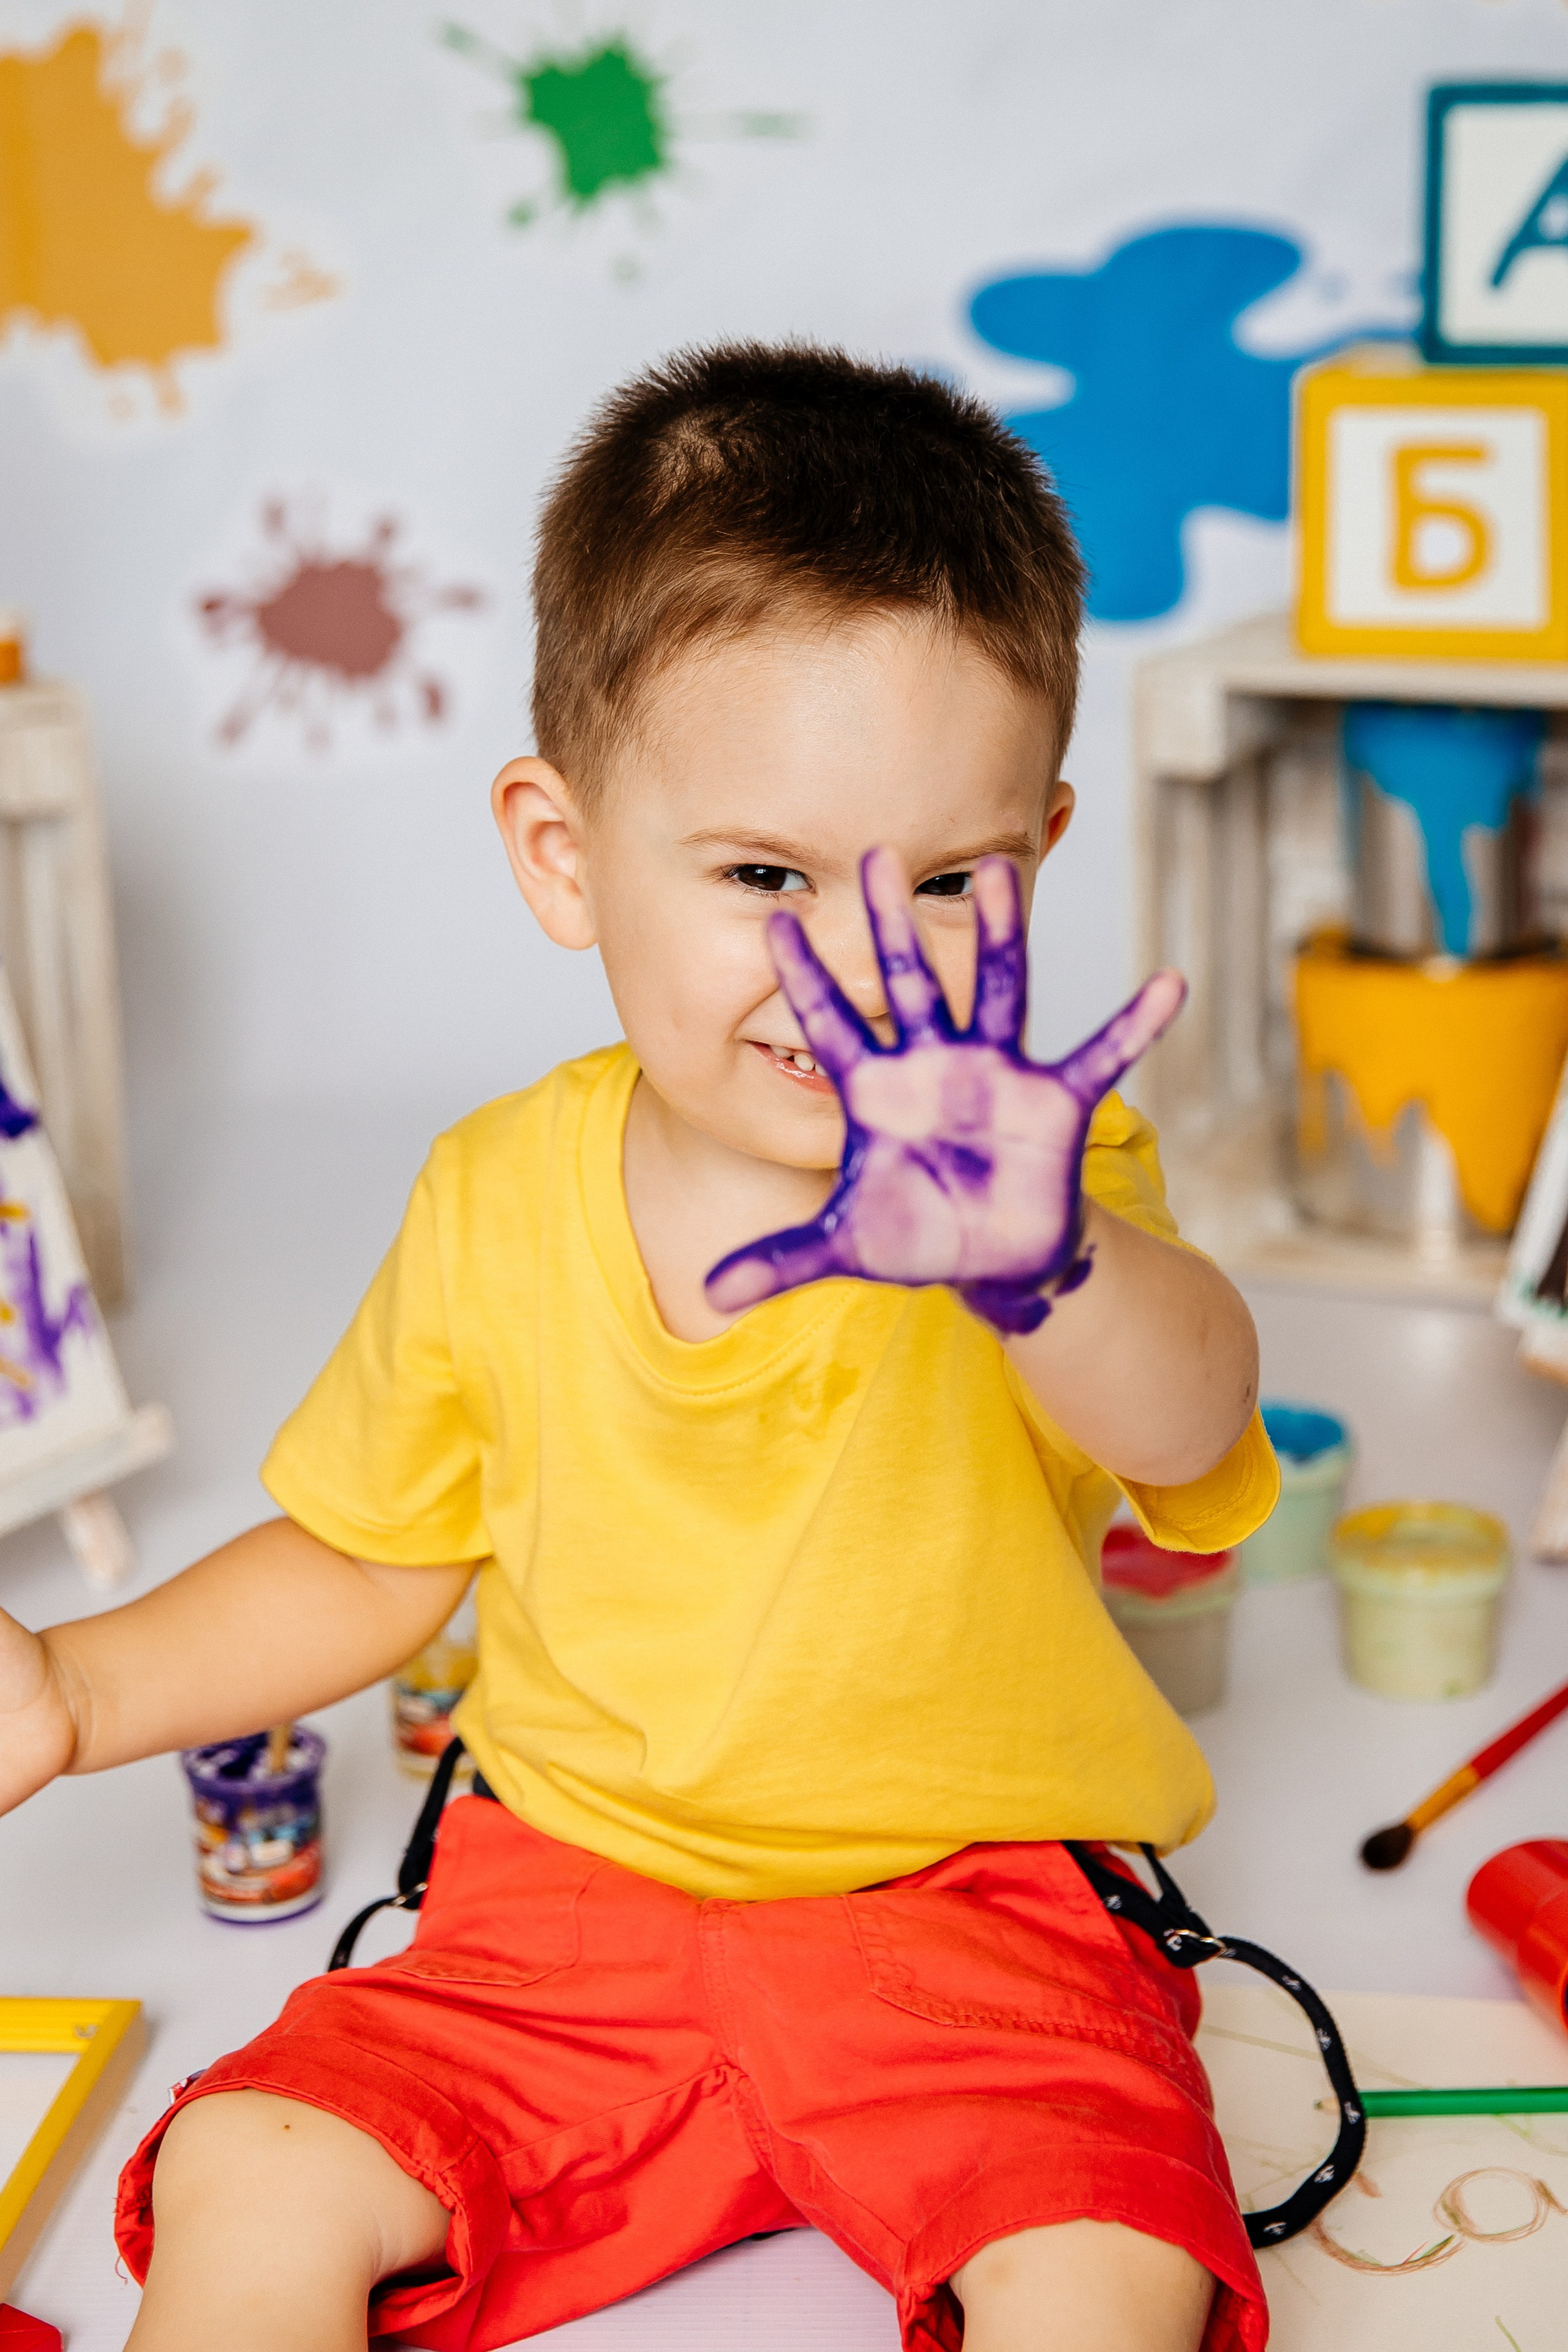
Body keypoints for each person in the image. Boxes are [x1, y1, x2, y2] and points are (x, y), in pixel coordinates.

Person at [0, 345, 1278, 2352]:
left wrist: (1045, 1268)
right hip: (561, 1908)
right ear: (563, 851)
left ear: (1041, 844)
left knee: (1110, 2266)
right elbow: (369, 1558)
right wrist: (72, 1688)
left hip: (975, 1918)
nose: (854, 967)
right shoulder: (496, 1192)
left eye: (946, 883)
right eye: (767, 878)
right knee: (257, 2166)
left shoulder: (1050, 1175)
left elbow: (1198, 1408)